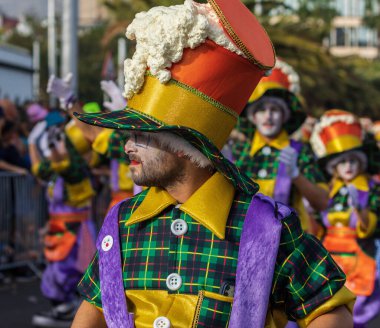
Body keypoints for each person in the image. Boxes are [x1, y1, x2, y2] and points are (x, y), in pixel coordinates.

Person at [70, 0, 353, 327]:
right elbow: (93, 313)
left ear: (183, 145)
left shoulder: (267, 228)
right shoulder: (122, 223)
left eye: (142, 133)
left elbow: (331, 311)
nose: (128, 145)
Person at [232, 58, 328, 231]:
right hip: (245, 239)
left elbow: (322, 202)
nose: (268, 116)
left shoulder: (299, 150)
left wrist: (296, 175)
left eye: (274, 110)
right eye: (261, 110)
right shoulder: (239, 151)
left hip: (287, 243)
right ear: (253, 117)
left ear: (284, 116)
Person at [310, 109, 380, 327]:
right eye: (343, 161)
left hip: (363, 257)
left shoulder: (372, 188)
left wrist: (360, 210)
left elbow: (372, 225)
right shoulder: (327, 190)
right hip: (329, 259)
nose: (348, 166)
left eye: (353, 160)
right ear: (334, 166)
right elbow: (317, 228)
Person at [29, 111, 97, 327]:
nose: (53, 144)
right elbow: (40, 170)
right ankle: (65, 306)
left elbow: (65, 166)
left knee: (67, 270)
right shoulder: (57, 168)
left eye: (58, 138)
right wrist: (32, 143)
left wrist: (56, 143)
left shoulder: (74, 169)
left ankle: (71, 309)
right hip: (61, 228)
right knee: (57, 269)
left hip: (75, 229)